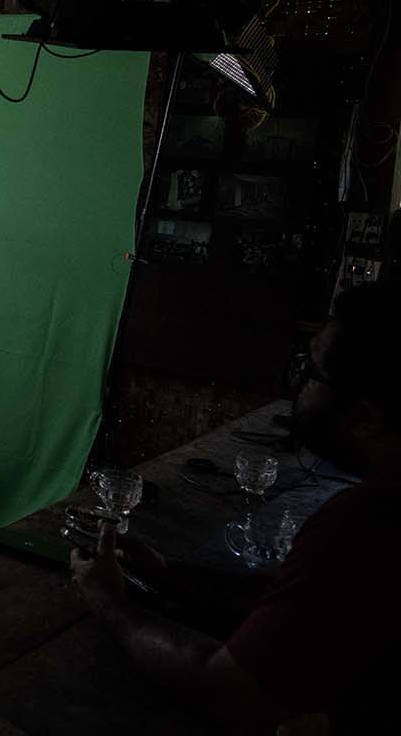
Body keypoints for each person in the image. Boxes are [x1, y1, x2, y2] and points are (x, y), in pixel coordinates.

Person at [71, 282, 401, 733]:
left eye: (312, 372)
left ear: (365, 417)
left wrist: (108, 603)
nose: (298, 382)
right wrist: (170, 574)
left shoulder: (367, 524)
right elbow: (296, 601)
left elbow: (227, 688)